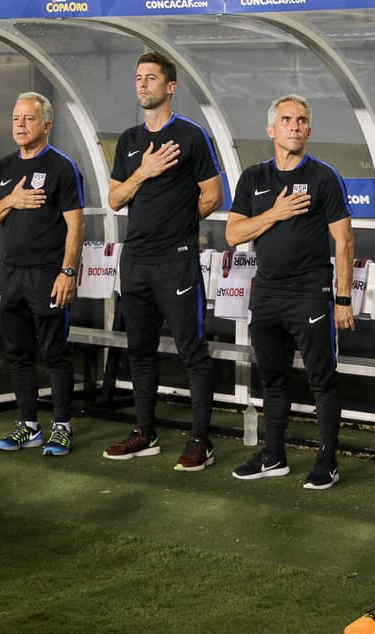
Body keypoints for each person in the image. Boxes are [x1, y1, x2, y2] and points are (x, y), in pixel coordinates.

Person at [225, 95, 354, 490]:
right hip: (266, 293)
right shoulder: (253, 178)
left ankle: (327, 461)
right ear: (271, 129)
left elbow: (344, 240)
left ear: (309, 131)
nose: (294, 126)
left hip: (310, 294)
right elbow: (233, 234)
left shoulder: (324, 177)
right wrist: (274, 214)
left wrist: (343, 299)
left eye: (301, 120)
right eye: (286, 119)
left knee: (322, 380)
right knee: (272, 378)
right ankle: (273, 455)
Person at [104, 51, 224, 469]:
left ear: (170, 87)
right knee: (140, 350)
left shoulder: (191, 136)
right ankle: (145, 432)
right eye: (138, 77)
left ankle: (200, 440)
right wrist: (144, 172)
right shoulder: (130, 141)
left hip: (176, 261)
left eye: (150, 78)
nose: (142, 84)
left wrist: (178, 225)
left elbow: (213, 196)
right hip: (134, 260)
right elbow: (115, 199)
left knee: (192, 351)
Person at [0, 93, 85, 456]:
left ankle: (62, 427)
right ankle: (29, 425)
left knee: (55, 353)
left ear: (47, 125)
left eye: (28, 119)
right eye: (16, 118)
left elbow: (75, 227)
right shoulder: (5, 167)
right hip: (9, 276)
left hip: (47, 276)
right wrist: (11, 200)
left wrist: (67, 272)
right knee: (18, 353)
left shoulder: (62, 167)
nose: (20, 125)